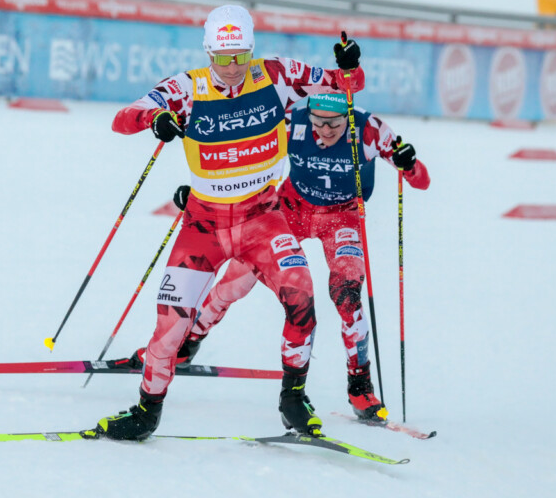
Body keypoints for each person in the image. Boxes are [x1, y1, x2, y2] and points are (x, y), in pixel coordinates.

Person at [91, 5, 366, 441]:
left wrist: (349, 68)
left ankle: (293, 399)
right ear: (209, 53)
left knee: (302, 302)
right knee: (170, 327)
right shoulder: (190, 86)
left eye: (240, 55)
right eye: (223, 57)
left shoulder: (274, 75)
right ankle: (147, 411)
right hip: (204, 226)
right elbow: (123, 118)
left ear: (251, 50)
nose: (233, 66)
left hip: (263, 219)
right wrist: (155, 118)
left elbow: (342, 88)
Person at [169, 92, 431, 422]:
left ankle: (360, 385)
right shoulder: (291, 121)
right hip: (289, 210)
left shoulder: (369, 130)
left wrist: (409, 164)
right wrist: (200, 195)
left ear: (347, 118)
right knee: (237, 281)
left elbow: (421, 181)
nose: (324, 131)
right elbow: (240, 156)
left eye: (334, 123)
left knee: (347, 293)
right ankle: (191, 340)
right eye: (318, 122)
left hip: (341, 217)